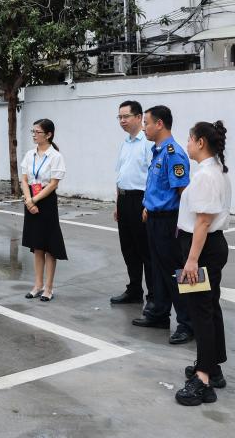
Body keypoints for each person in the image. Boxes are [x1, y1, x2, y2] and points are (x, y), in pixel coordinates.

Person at [175, 121, 232, 406]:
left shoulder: (206, 175)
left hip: (201, 248)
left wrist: (191, 260)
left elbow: (203, 221)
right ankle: (212, 367)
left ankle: (203, 379)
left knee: (200, 312)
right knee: (209, 308)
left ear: (200, 142)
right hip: (209, 246)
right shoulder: (216, 170)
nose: (186, 144)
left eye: (189, 139)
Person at [132, 104, 194, 345]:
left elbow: (183, 192)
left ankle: (188, 324)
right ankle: (159, 313)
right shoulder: (158, 151)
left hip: (169, 222)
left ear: (159, 124)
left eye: (146, 123)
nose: (144, 128)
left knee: (175, 273)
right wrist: (149, 206)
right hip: (155, 219)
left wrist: (181, 224)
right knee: (158, 270)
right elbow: (159, 187)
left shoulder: (173, 153)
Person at [110, 100, 154, 311]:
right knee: (128, 248)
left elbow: (152, 177)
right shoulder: (126, 143)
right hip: (125, 199)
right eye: (119, 117)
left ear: (139, 117)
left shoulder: (148, 142)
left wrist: (148, 204)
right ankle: (134, 290)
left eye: (125, 116)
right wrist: (117, 203)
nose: (122, 120)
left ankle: (154, 296)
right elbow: (121, 174)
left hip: (141, 200)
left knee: (146, 250)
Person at [21, 118, 68, 301]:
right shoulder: (30, 154)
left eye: (37, 132)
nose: (34, 135)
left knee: (49, 246)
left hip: (46, 202)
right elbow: (24, 179)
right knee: (37, 245)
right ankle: (37, 285)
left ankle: (48, 288)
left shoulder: (55, 156)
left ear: (48, 135)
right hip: (30, 199)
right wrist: (28, 200)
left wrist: (34, 200)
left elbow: (53, 184)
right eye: (32, 131)